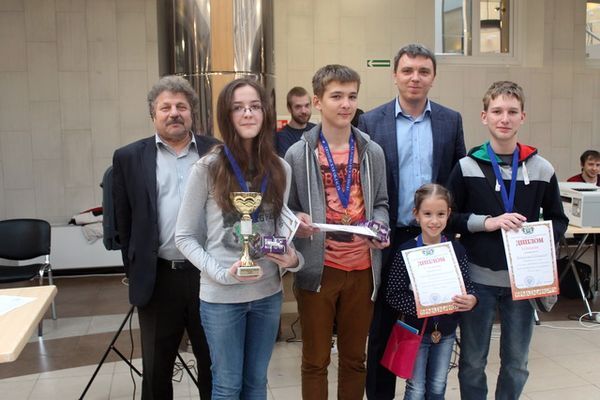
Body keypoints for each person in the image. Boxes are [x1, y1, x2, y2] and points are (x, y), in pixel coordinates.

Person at [175, 78, 302, 400]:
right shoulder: (207, 168)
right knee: (227, 386)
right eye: (238, 108)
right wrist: (221, 274)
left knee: (257, 383)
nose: (248, 113)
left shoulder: (280, 168)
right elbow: (184, 236)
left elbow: (279, 231)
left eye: (255, 106)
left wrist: (293, 259)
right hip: (221, 298)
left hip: (267, 294)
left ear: (265, 113)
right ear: (226, 115)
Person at [446, 81, 569, 399]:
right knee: (472, 362)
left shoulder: (542, 168)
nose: (504, 118)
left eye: (512, 112)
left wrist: (537, 237)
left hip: (524, 284)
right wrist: (487, 223)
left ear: (522, 117)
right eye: (497, 111)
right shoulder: (467, 166)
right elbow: (449, 218)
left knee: (516, 364)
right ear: (484, 116)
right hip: (478, 281)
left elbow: (559, 220)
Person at [358, 43, 466, 400]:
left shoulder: (451, 120)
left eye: (423, 71)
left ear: (433, 77)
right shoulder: (371, 121)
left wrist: (453, 232)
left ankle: (423, 392)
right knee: (383, 327)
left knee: (432, 323)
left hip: (434, 239)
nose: (414, 78)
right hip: (390, 239)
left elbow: (457, 180)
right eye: (407, 71)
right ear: (395, 76)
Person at [285, 64, 390, 400]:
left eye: (352, 96)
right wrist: (297, 219)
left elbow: (381, 203)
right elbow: (287, 209)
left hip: (362, 270)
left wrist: (380, 225)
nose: (346, 104)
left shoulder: (372, 151)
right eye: (337, 96)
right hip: (319, 271)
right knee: (315, 361)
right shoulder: (298, 153)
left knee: (355, 359)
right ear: (318, 101)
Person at [112, 75, 217, 399]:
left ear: (192, 113)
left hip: (209, 275)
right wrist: (137, 270)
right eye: (165, 107)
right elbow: (124, 223)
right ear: (153, 114)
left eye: (181, 107)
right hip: (158, 278)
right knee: (157, 370)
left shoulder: (217, 152)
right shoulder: (129, 158)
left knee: (214, 365)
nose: (174, 113)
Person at [385, 183, 477, 400]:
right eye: (427, 214)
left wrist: (472, 299)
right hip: (415, 331)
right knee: (416, 388)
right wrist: (423, 306)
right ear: (416, 214)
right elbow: (393, 294)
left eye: (440, 214)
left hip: (446, 332)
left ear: (449, 214)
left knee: (437, 386)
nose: (434, 221)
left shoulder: (456, 250)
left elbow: (468, 286)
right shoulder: (406, 251)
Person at [275, 86, 316, 157]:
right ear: (289, 108)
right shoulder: (282, 137)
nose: (303, 111)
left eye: (307, 105)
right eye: (298, 107)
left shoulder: (316, 130)